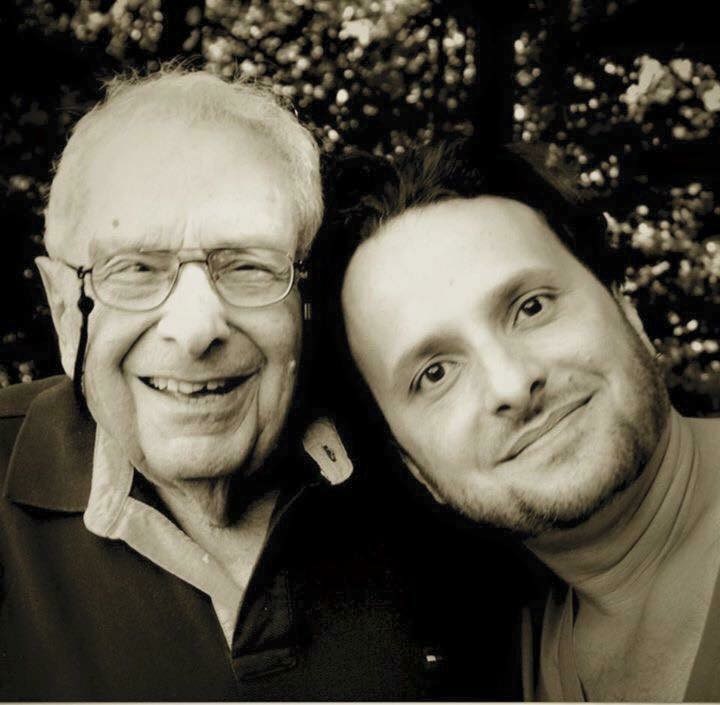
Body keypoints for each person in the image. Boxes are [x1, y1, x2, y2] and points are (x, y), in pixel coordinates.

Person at [0, 73, 524, 700]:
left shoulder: (435, 478)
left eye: (249, 265)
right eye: (135, 268)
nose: (197, 330)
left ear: (305, 300)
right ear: (64, 307)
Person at [312, 139, 720, 702]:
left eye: (531, 307)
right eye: (435, 374)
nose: (511, 384)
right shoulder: (504, 661)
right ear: (416, 467)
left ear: (626, 310)